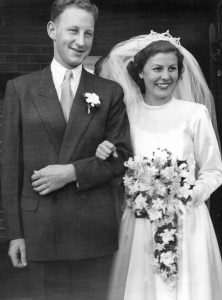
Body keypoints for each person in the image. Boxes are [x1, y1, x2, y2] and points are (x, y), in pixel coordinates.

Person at [1, 0, 131, 299]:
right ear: (52, 30)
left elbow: (122, 157)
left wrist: (72, 172)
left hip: (93, 230)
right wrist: (16, 233)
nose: (81, 41)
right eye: (73, 30)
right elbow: (9, 168)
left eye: (88, 33)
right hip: (40, 228)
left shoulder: (109, 92)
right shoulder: (20, 89)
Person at [96, 31, 222, 300]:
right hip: (141, 222)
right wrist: (104, 151)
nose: (165, 76)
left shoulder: (195, 114)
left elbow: (214, 171)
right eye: (156, 68)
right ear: (140, 73)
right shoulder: (127, 116)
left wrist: (191, 193)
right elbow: (119, 164)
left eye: (172, 68)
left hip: (187, 221)